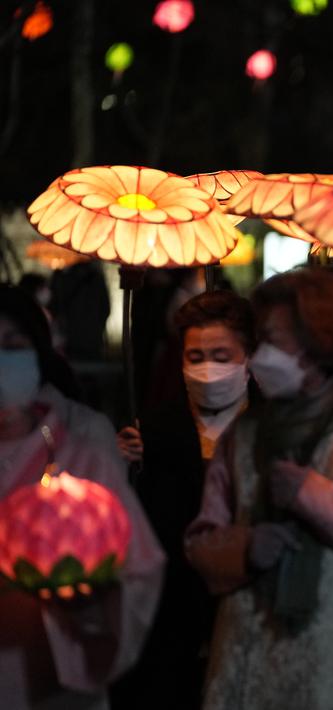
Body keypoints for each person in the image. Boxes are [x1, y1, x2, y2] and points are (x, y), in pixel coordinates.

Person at [183, 269, 333, 709]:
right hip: (253, 658)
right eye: (258, 340)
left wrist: (313, 494)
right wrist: (245, 547)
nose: (261, 355)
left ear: (316, 340)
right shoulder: (243, 436)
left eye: (274, 340)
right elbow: (201, 542)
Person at [0, 285, 165, 709]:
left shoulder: (81, 443)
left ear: (38, 353)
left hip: (52, 675)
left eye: (12, 344)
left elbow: (138, 562)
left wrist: (90, 601)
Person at [109, 291, 257, 710]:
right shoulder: (151, 430)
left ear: (248, 357)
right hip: (168, 624)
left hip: (248, 612)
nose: (208, 368)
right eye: (196, 356)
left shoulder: (272, 428)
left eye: (222, 355)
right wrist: (122, 467)